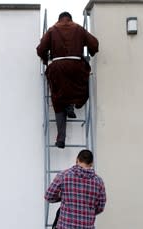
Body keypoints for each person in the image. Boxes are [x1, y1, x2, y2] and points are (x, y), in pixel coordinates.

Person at [36, 12, 99, 149]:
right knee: (82, 85)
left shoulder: (52, 29)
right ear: (70, 18)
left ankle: (61, 138)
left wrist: (46, 59)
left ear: (59, 19)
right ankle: (74, 105)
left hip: (57, 68)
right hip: (76, 66)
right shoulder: (78, 28)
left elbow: (40, 49)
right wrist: (91, 52)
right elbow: (94, 43)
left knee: (58, 100)